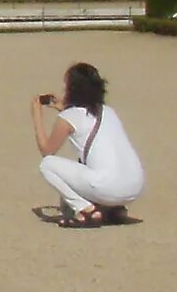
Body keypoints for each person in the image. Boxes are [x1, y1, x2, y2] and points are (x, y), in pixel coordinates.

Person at [33, 62, 143, 226]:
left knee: (47, 164)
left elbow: (46, 150)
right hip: (135, 187)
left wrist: (36, 114)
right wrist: (63, 108)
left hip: (109, 187)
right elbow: (85, 120)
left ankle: (86, 209)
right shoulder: (109, 111)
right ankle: (112, 209)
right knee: (97, 163)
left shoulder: (69, 117)